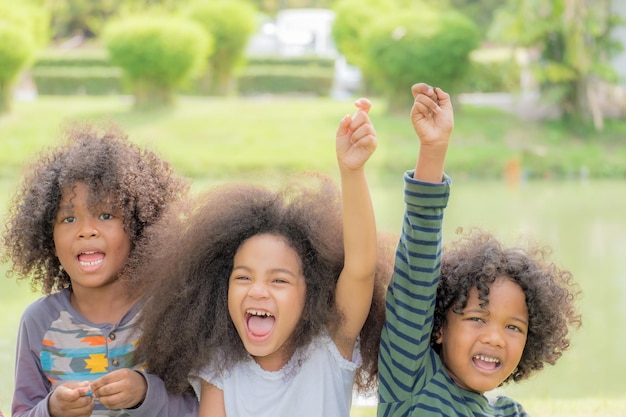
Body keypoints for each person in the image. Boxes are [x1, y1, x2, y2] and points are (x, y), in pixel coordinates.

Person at [130, 99, 392, 417]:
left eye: (278, 280)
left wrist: (352, 171)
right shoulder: (220, 367)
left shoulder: (330, 347)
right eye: (243, 277)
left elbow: (360, 268)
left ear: (311, 295)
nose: (257, 290)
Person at [376, 83, 582, 416]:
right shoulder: (411, 380)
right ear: (440, 327)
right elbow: (417, 272)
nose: (496, 338)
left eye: (513, 327)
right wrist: (434, 148)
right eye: (477, 318)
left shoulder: (509, 413)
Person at [1, 122, 199, 417]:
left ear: (138, 227)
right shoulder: (39, 322)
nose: (86, 231)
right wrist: (52, 409)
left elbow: (202, 408)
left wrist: (145, 393)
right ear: (48, 238)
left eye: (105, 215)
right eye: (69, 219)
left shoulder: (168, 313)